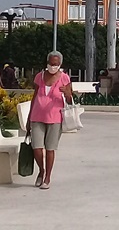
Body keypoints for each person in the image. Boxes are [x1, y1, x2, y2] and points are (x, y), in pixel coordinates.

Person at [26, 50, 72, 190]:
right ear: (47, 63)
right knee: (37, 148)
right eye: (51, 64)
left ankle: (47, 177)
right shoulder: (40, 76)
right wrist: (29, 117)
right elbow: (35, 97)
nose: (53, 66)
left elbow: (70, 100)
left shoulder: (64, 78)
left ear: (60, 64)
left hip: (55, 117)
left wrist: (67, 93)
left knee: (50, 148)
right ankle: (41, 170)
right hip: (37, 116)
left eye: (56, 64)